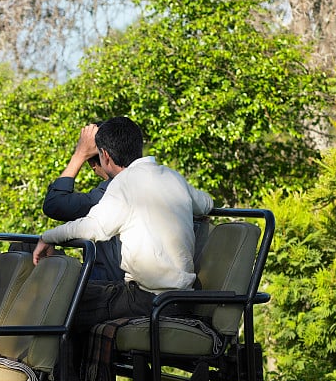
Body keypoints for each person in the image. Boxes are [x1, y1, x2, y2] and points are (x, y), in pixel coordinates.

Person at [33, 116, 214, 335]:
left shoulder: (122, 183)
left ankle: (73, 371)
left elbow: (93, 228)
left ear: (105, 156)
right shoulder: (172, 176)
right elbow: (206, 203)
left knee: (60, 305)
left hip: (146, 299)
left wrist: (47, 237)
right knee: (80, 296)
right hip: (180, 297)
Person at [42, 122, 125, 282]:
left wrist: (80, 154)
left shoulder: (110, 193)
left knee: (26, 248)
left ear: (101, 159)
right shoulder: (159, 181)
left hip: (112, 289)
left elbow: (54, 204)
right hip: (154, 292)